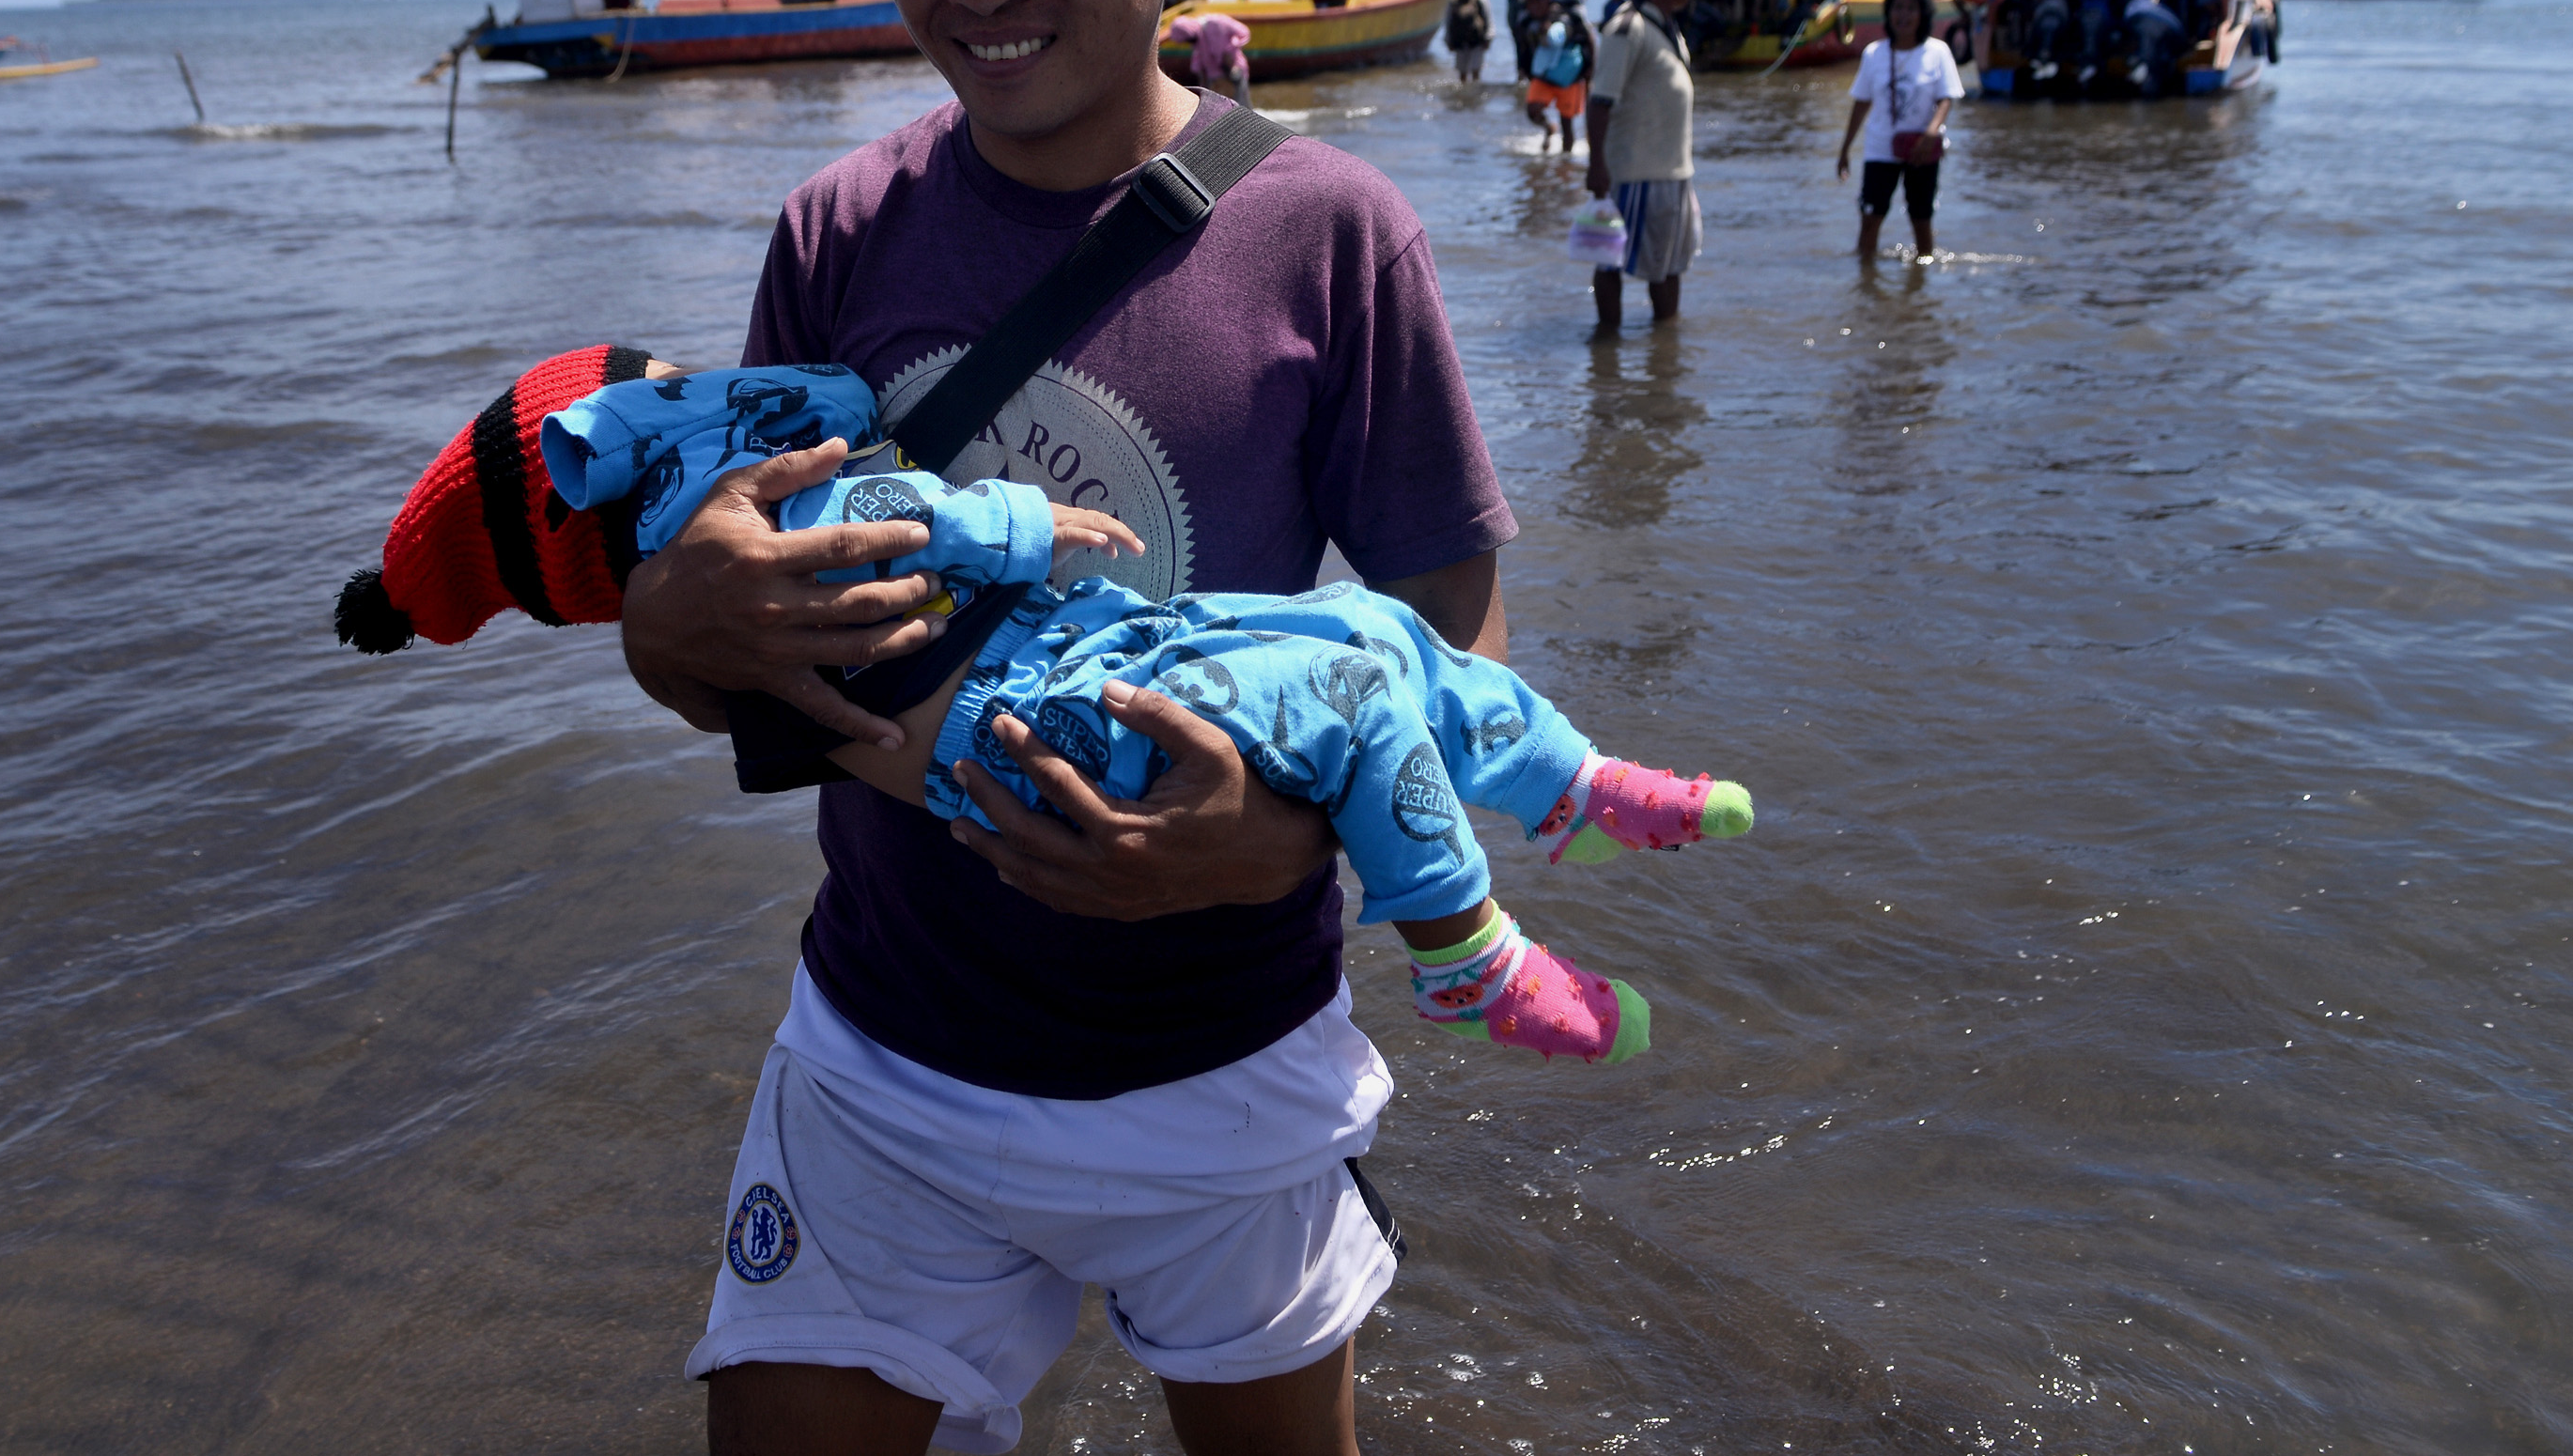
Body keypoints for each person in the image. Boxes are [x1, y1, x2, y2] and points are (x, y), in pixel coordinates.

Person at [610, 0, 1538, 1456]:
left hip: (1231, 1064)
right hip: (883, 1057)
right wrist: (660, 618)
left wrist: (1273, 840)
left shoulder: (1332, 235)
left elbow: (1457, 642)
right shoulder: (840, 231)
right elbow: (737, 642)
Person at [339, 349, 1754, 1063]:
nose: (695, 374)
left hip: (1074, 676)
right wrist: (1032, 521)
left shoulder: (718, 534)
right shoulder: (750, 518)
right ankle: (1468, 961)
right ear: (627, 455)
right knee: (1355, 685)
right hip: (1044, 735)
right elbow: (914, 512)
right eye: (661, 384)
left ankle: (1565, 779)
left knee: (1370, 621)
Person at [1584, 0, 1710, 330]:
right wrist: (1597, 166)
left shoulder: (1665, 23)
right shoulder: (1627, 27)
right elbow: (1600, 100)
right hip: (1635, 173)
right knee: (1611, 263)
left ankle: (1664, 352)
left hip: (1672, 172)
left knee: (1670, 266)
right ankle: (1608, 345)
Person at [1835, 0, 1961, 259]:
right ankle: (1866, 288)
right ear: (1888, 13)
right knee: (1870, 221)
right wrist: (1844, 150)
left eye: (1911, 9)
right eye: (1898, 8)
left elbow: (1946, 98)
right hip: (1881, 149)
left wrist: (1931, 133)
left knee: (1921, 221)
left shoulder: (1937, 52)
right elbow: (1861, 103)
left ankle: (1920, 290)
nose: (1903, 15)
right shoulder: (1874, 53)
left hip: (1923, 150)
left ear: (1922, 14)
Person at [1521, 0, 1591, 153]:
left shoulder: (1564, 19)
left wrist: (1591, 73)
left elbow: (1564, 37)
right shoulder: (1528, 22)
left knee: (1567, 123)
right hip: (1544, 77)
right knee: (1532, 111)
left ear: (1548, 1)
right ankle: (1548, 128)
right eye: (1530, 2)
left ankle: (1565, 166)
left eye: (1538, 1)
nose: (1534, 6)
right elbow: (1523, 48)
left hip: (1570, 80)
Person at [1170, 8, 1252, 106]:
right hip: (1214, 77)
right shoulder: (1197, 39)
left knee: (1242, 106)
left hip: (1233, 69)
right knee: (1219, 109)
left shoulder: (1217, 22)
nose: (1190, 42)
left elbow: (1244, 32)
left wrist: (1230, 49)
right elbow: (1198, 58)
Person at [1442, 0, 1493, 82]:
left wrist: (1488, 37)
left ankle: (1475, 94)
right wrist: (1448, 40)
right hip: (1460, 42)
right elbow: (1448, 21)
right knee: (1462, 73)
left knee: (1476, 71)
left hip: (1477, 41)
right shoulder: (1454, 2)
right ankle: (1463, 96)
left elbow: (1488, 19)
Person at [1506, 0, 1541, 80]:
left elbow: (1510, 17)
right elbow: (1512, 16)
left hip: (1531, 34)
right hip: (1522, 35)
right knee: (1523, 64)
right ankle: (1524, 92)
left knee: (1528, 63)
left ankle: (1524, 92)